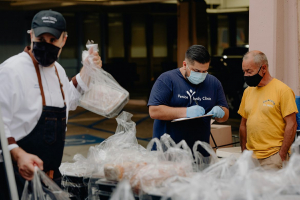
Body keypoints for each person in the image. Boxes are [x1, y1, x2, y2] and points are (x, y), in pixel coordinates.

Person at [0, 10, 102, 198]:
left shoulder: (58, 70)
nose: (46, 45)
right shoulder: (10, 71)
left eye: (52, 40)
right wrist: (18, 154)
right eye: (40, 39)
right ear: (31, 35)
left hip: (49, 178)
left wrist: (88, 70)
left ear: (64, 40)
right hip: (15, 178)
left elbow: (69, 99)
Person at [148, 45, 229, 155]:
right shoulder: (167, 79)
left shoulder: (214, 83)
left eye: (205, 71)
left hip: (200, 153)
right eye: (196, 71)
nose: (201, 75)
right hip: (167, 153)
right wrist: (186, 112)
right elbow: (154, 111)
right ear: (185, 64)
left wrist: (220, 112)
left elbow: (225, 115)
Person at [238, 50, 298, 170]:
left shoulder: (283, 91)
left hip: (273, 157)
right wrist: (244, 152)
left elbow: (291, 124)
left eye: (249, 71)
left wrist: (282, 154)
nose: (246, 75)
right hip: (251, 158)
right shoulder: (248, 91)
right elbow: (243, 124)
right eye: (244, 71)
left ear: (263, 68)